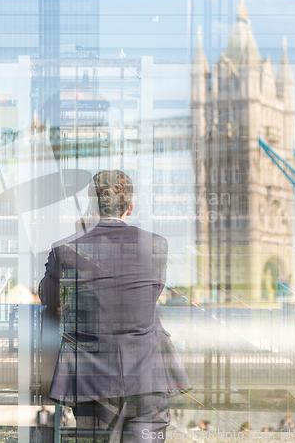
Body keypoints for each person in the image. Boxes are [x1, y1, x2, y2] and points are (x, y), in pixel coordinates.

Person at [39, 170, 191, 442]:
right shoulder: (156, 245)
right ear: (130, 207)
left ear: (90, 206)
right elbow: (150, 295)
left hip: (92, 382)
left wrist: (80, 236)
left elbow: (49, 298)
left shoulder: (66, 249)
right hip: (149, 376)